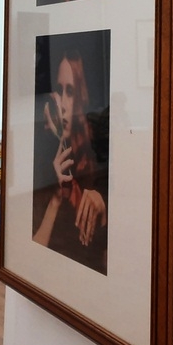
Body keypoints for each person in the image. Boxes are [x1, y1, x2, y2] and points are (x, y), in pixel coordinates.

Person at [33, 49, 109, 273]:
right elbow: (31, 258)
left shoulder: (97, 160)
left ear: (82, 99)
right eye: (59, 90)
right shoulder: (43, 162)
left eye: (70, 91)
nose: (63, 104)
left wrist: (103, 206)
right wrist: (57, 197)